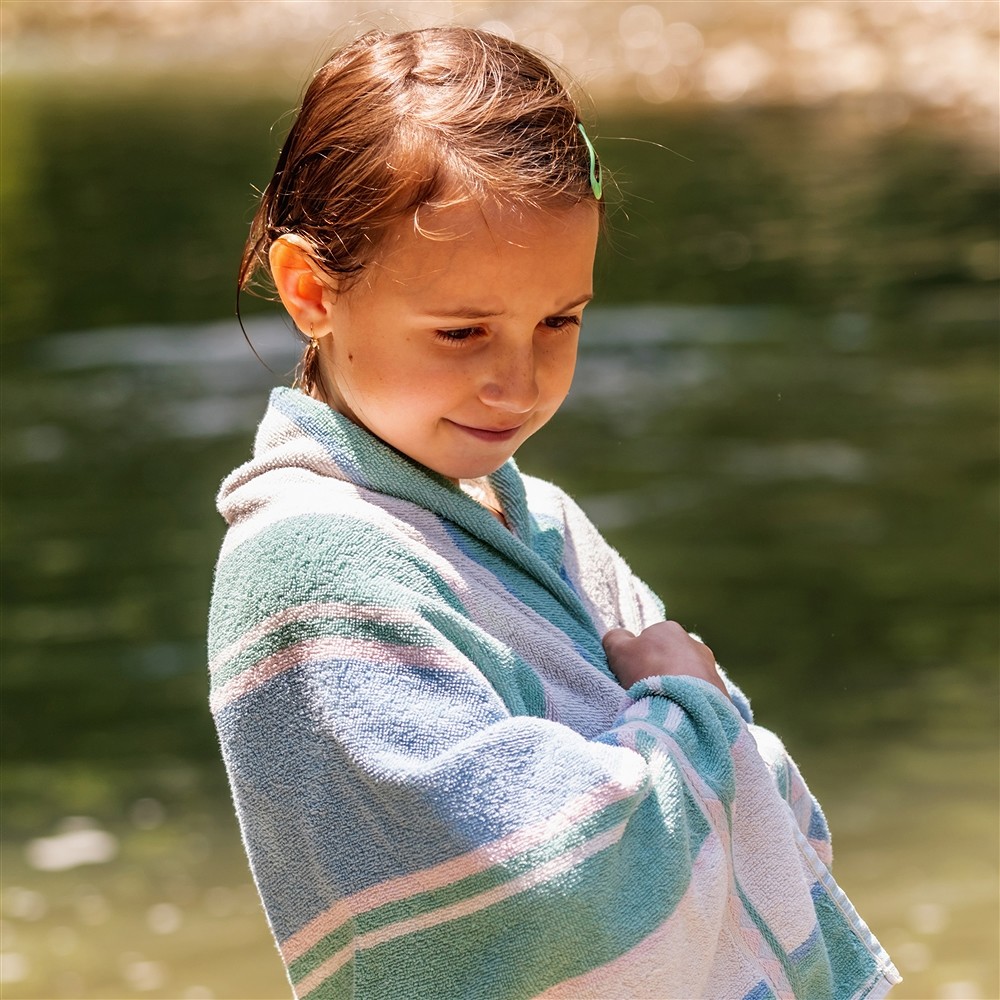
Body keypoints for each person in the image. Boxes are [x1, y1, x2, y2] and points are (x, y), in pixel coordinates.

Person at [209, 26, 899, 1000]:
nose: (519, 382)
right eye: (461, 331)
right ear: (311, 291)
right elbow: (528, 891)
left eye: (559, 321)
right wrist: (688, 712)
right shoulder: (309, 572)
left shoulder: (540, 523)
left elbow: (756, 797)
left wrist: (703, 732)